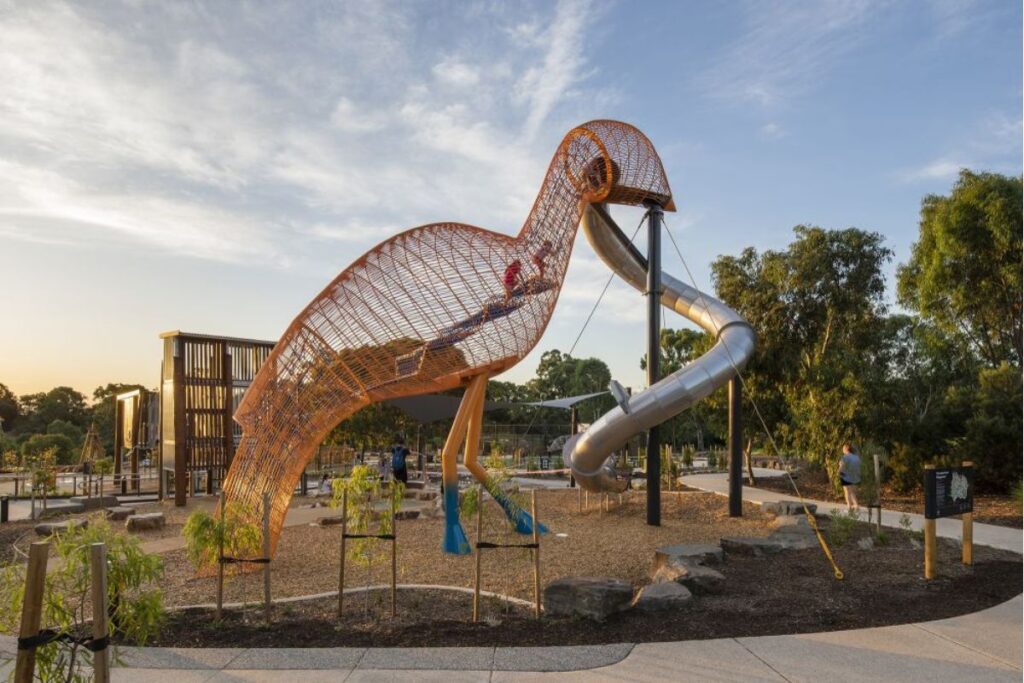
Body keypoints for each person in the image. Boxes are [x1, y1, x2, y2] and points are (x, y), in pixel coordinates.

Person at [839, 443, 861, 511]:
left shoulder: (845, 457)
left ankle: (849, 507)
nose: (842, 450)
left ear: (846, 449)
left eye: (843, 448)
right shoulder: (856, 457)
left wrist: (839, 472)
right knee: (852, 492)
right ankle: (856, 506)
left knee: (847, 492)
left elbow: (842, 466)